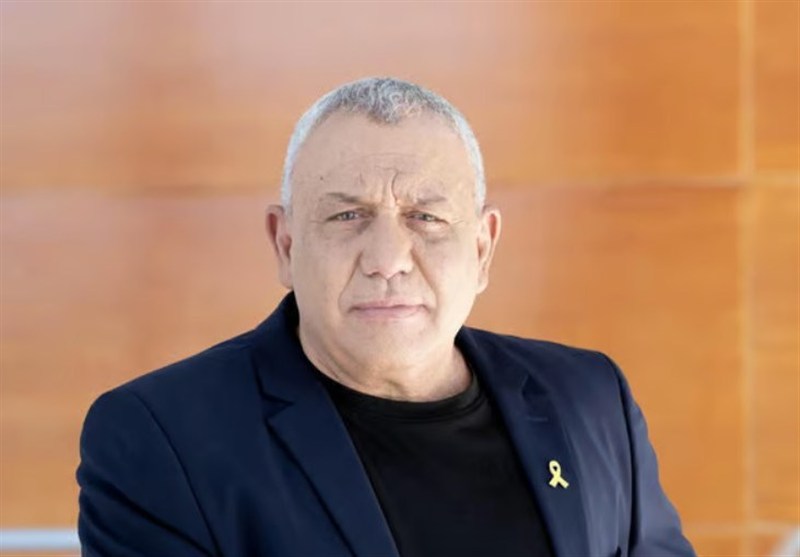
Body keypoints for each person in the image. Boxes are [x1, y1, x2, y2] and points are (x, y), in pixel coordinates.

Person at [77, 77, 695, 557]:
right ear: (285, 244)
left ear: (482, 248)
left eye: (426, 217)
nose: (387, 259)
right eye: (347, 216)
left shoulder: (590, 397)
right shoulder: (160, 438)